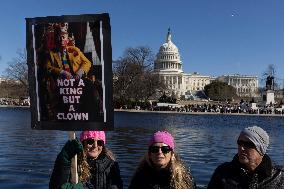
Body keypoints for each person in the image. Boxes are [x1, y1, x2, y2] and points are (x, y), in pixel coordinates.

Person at [207, 126, 284, 189]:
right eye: (239, 143)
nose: (241, 148)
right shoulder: (223, 173)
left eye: (248, 144)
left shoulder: (279, 176)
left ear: (261, 150)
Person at [49, 131, 123, 189]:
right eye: (90, 141)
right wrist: (62, 161)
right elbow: (55, 186)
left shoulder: (111, 165)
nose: (95, 146)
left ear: (103, 146)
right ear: (83, 143)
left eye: (100, 142)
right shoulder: (73, 162)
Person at [129, 130, 196, 189]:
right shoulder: (139, 178)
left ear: (172, 153)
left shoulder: (184, 178)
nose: (159, 152)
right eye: (155, 149)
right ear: (149, 154)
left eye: (165, 149)